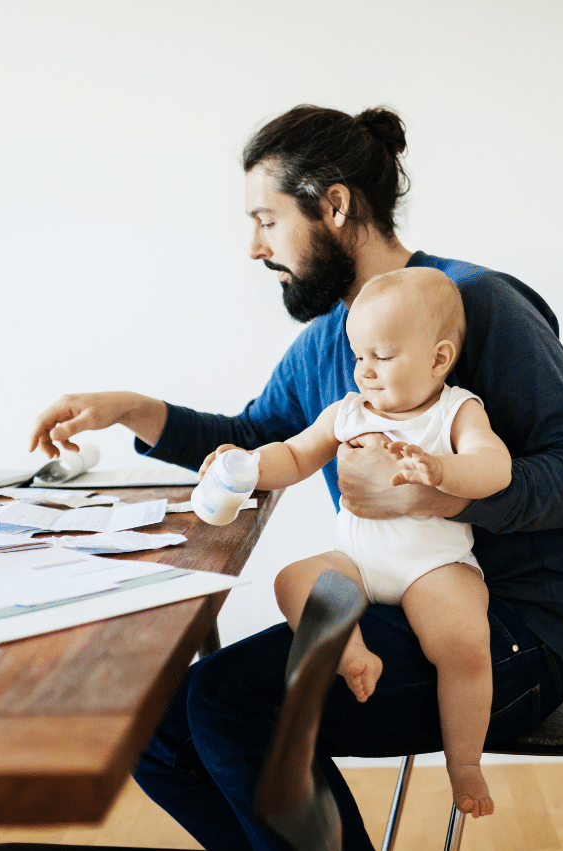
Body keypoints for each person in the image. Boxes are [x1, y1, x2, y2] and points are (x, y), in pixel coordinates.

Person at [29, 104, 563, 851]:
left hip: (510, 633)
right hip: (387, 605)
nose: (253, 247)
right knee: (158, 722)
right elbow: (254, 439)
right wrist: (133, 410)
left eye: (266, 220)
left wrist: (442, 491)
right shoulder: (325, 345)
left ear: (334, 206)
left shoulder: (476, 306)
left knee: (230, 702)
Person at [199, 266, 511, 818]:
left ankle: (465, 763)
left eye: (382, 357)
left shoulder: (455, 411)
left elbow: (494, 467)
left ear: (439, 359)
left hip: (433, 565)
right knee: (293, 580)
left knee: (463, 643)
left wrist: (439, 469)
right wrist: (245, 465)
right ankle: (350, 652)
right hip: (359, 561)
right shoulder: (347, 412)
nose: (364, 370)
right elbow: (293, 455)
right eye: (358, 355)